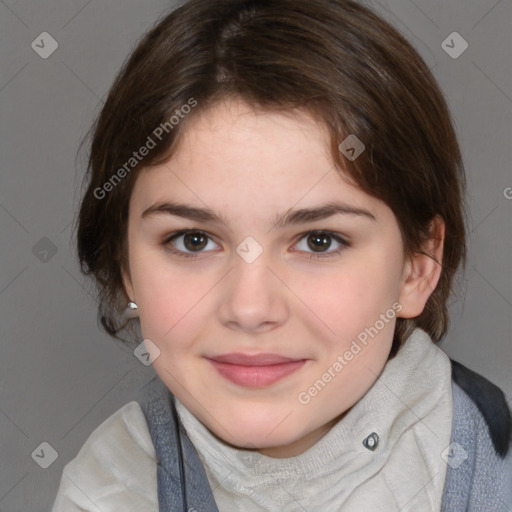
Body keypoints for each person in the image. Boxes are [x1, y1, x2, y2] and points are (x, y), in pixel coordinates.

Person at [52, 0, 512, 510]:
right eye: (193, 240)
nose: (250, 309)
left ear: (417, 268)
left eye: (319, 241)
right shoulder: (108, 490)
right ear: (126, 268)